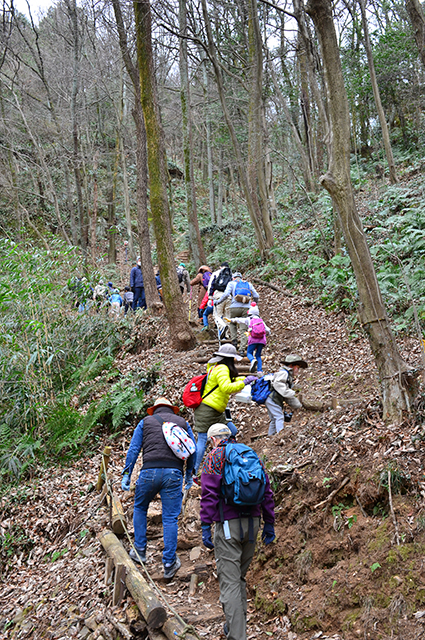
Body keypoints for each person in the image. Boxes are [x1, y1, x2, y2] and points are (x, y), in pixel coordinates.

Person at [200, 424, 275, 640]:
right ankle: (235, 627)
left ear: (213, 439)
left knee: (230, 582)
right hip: (253, 525)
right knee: (239, 578)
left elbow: (209, 495)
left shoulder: (215, 457)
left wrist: (206, 525)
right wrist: (269, 523)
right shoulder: (250, 454)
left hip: (227, 526)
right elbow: (267, 491)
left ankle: (237, 635)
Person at [121, 397, 195, 579]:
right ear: (171, 410)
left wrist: (127, 474)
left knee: (140, 507)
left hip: (149, 472)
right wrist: (189, 475)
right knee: (170, 517)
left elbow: (134, 449)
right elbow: (192, 449)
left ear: (154, 410)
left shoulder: (145, 422)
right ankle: (169, 562)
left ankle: (139, 550)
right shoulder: (182, 423)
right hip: (173, 474)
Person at [193, 343, 256, 476]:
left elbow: (230, 380)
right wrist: (244, 382)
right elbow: (226, 387)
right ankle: (193, 473)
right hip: (208, 410)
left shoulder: (217, 367)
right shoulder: (222, 368)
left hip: (216, 410)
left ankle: (229, 460)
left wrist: (245, 379)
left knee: (232, 431)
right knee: (203, 440)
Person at [215, 273, 259, 356]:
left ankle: (234, 341)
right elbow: (256, 295)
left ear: (233, 278)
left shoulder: (231, 283)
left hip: (234, 307)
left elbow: (226, 294)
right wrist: (255, 304)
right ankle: (242, 349)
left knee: (232, 323)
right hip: (246, 309)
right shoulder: (248, 284)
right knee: (244, 329)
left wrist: (218, 302)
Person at [265, 354, 307, 436]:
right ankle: (280, 436)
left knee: (274, 419)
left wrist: (297, 405)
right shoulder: (284, 373)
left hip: (270, 399)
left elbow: (287, 396)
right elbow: (278, 385)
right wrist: (291, 393)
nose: (298, 370)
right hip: (272, 398)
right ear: (292, 366)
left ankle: (270, 436)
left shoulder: (287, 375)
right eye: (297, 368)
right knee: (279, 417)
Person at [228, 303, 270, 375]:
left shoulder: (249, 319)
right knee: (258, 355)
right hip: (261, 341)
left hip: (253, 339)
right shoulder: (261, 320)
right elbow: (268, 330)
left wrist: (231, 320)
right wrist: (266, 335)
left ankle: (252, 360)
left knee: (249, 353)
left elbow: (239, 320)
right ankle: (260, 371)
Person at [207, 262, 233, 338]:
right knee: (227, 316)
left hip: (218, 295)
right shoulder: (231, 274)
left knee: (217, 316)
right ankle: (226, 335)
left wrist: (210, 297)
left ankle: (222, 327)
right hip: (228, 297)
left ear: (220, 267)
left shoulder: (216, 273)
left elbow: (211, 285)